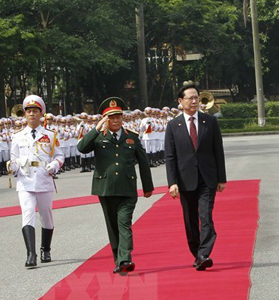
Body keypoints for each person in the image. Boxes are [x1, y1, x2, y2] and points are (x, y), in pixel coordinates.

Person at [77, 97, 154, 275]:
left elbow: (143, 162)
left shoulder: (131, 137)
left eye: (118, 116)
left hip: (127, 188)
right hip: (105, 188)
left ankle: (125, 258)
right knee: (112, 226)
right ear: (105, 119)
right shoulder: (98, 137)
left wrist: (148, 187)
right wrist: (96, 128)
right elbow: (81, 147)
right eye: (111, 117)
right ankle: (118, 261)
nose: (116, 120)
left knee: (124, 224)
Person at [165, 83, 227, 271]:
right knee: (190, 220)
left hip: (207, 178)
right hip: (185, 180)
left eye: (196, 97)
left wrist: (221, 178)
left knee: (206, 216)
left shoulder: (210, 121)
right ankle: (197, 253)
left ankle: (204, 253)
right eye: (190, 98)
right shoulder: (173, 126)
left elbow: (218, 151)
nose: (194, 101)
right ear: (180, 101)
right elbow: (170, 156)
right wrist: (172, 182)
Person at [8, 95, 64, 267]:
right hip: (25, 181)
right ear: (24, 114)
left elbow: (59, 155)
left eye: (35, 111)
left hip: (44, 179)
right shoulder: (17, 136)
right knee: (27, 215)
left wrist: (54, 165)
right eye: (29, 111)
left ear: (41, 114)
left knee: (46, 216)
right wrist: (12, 167)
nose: (32, 114)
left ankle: (45, 249)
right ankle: (31, 254)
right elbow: (14, 158)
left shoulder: (50, 135)